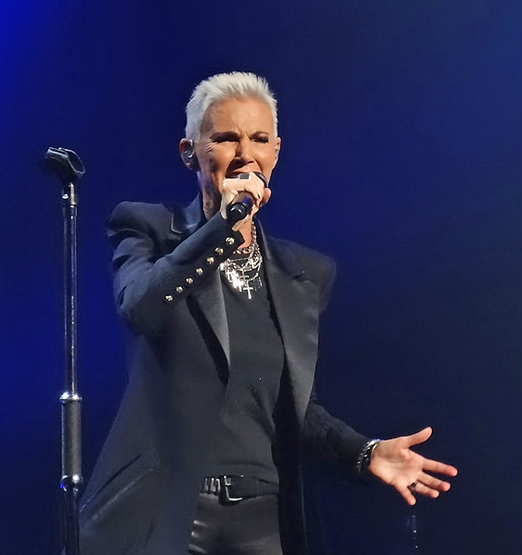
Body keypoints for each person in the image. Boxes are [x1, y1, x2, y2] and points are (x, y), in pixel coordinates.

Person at [78, 71, 458, 555]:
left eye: (259, 139)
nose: (245, 154)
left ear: (276, 152)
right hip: (167, 515)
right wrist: (221, 227)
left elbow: (297, 410)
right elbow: (140, 307)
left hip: (264, 520)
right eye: (225, 138)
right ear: (190, 152)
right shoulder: (147, 228)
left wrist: (364, 452)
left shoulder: (306, 274)